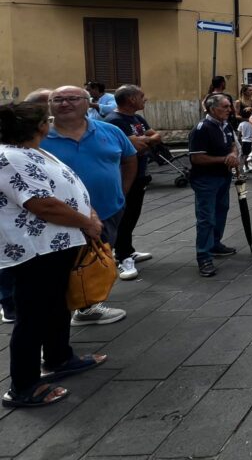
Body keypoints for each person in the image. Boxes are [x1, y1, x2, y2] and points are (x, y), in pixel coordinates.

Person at [0, 101, 107, 409]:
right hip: (35, 248)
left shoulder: (28, 150)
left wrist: (88, 212)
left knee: (55, 304)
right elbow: (40, 203)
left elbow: (60, 189)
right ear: (40, 127)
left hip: (55, 244)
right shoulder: (9, 157)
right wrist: (87, 221)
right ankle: (23, 386)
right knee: (32, 315)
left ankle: (59, 357)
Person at [43, 85, 135, 326]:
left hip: (108, 210)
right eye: (58, 99)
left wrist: (122, 192)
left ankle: (87, 306)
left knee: (96, 261)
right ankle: (62, 318)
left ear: (87, 103)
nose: (65, 103)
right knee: (63, 269)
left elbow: (129, 159)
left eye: (72, 98)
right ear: (50, 105)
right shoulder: (39, 137)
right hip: (59, 217)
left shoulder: (111, 131)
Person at [105, 85, 160, 281]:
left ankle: (127, 249)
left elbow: (156, 136)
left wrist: (143, 140)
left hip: (140, 174)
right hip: (125, 177)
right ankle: (122, 257)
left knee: (133, 214)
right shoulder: (114, 121)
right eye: (141, 96)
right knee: (124, 216)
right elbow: (133, 145)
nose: (145, 99)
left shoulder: (137, 118)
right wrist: (143, 141)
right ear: (130, 100)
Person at [188, 93, 240, 277]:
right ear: (212, 109)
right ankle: (204, 256)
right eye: (225, 107)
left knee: (221, 211)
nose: (229, 110)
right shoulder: (202, 128)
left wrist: (233, 154)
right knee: (206, 217)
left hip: (222, 176)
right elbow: (197, 158)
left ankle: (215, 244)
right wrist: (224, 159)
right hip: (206, 179)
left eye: (229, 106)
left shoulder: (225, 124)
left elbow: (232, 144)